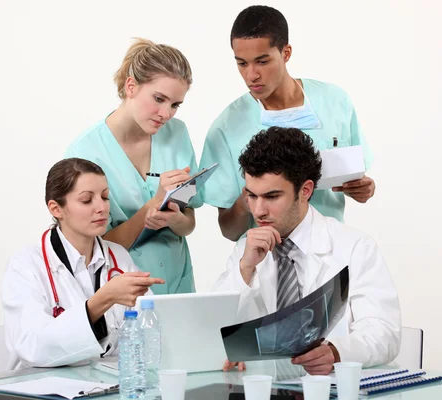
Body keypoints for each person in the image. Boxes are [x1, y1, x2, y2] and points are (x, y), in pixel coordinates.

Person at [213, 127, 400, 375]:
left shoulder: (355, 247)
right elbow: (214, 332)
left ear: (305, 190)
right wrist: (245, 269)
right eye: (252, 196)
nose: (258, 211)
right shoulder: (245, 251)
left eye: (272, 196)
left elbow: (384, 332)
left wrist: (337, 352)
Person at [199, 5, 376, 242]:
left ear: (286, 53)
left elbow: (360, 182)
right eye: (242, 63)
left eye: (262, 61)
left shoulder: (336, 102)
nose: (251, 75)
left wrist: (364, 190)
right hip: (266, 262)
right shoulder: (225, 129)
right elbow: (229, 231)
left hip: (331, 250)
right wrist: (247, 200)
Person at [66, 38, 200, 294]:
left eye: (175, 104)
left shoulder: (177, 134)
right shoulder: (85, 153)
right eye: (159, 99)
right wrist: (150, 208)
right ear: (131, 86)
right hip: (119, 289)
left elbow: (189, 222)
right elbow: (89, 249)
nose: (166, 113)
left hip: (178, 283)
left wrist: (175, 219)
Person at [2, 158, 164, 369]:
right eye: (87, 200)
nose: (102, 208)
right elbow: (32, 347)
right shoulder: (26, 264)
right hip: (43, 386)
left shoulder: (119, 258)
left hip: (105, 384)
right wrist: (102, 300)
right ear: (56, 208)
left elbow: (151, 331)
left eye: (105, 197)